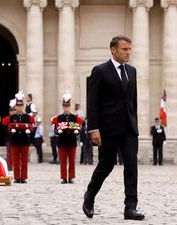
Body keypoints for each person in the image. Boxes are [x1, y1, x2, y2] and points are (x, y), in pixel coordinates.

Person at [83, 35, 145, 220]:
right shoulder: (100, 71)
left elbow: (132, 100)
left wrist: (134, 122)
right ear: (113, 50)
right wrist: (93, 128)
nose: (128, 52)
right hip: (108, 129)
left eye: (129, 49)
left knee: (131, 166)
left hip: (128, 129)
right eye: (125, 49)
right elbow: (92, 102)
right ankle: (89, 197)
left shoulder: (132, 71)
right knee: (106, 165)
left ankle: (130, 208)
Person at [52, 93, 82, 184]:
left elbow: (79, 127)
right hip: (62, 141)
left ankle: (71, 177)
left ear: (70, 106)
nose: (66, 108)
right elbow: (55, 130)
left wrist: (77, 131)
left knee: (72, 161)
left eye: (67, 106)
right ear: (62, 107)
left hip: (72, 141)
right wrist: (58, 131)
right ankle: (64, 177)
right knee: (63, 160)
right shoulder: (59, 118)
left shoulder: (74, 118)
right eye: (65, 106)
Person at [8, 91, 34, 184]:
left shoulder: (27, 117)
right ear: (15, 107)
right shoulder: (12, 117)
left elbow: (31, 127)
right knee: (15, 160)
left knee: (24, 160)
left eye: (20, 106)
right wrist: (13, 129)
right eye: (17, 106)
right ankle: (16, 177)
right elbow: (9, 126)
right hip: (15, 140)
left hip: (24, 140)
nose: (19, 108)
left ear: (23, 106)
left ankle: (23, 177)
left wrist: (27, 129)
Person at [2, 99, 16, 171]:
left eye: (14, 110)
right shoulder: (6, 119)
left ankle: (15, 166)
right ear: (9, 112)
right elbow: (3, 129)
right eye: (11, 111)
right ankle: (9, 166)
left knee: (16, 153)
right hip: (9, 138)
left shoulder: (18, 117)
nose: (13, 112)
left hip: (17, 138)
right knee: (9, 153)